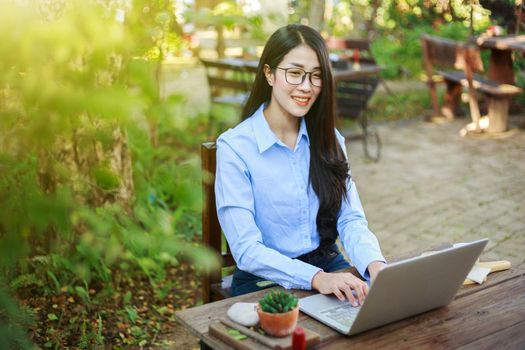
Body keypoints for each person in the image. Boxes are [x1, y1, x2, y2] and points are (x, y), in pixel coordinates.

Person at [214, 24, 385, 307]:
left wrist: (375, 266)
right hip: (265, 278)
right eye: (294, 73)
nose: (306, 87)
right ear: (269, 74)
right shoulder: (235, 148)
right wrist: (316, 278)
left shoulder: (329, 139)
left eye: (316, 76)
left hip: (329, 264)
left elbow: (350, 219)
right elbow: (246, 250)